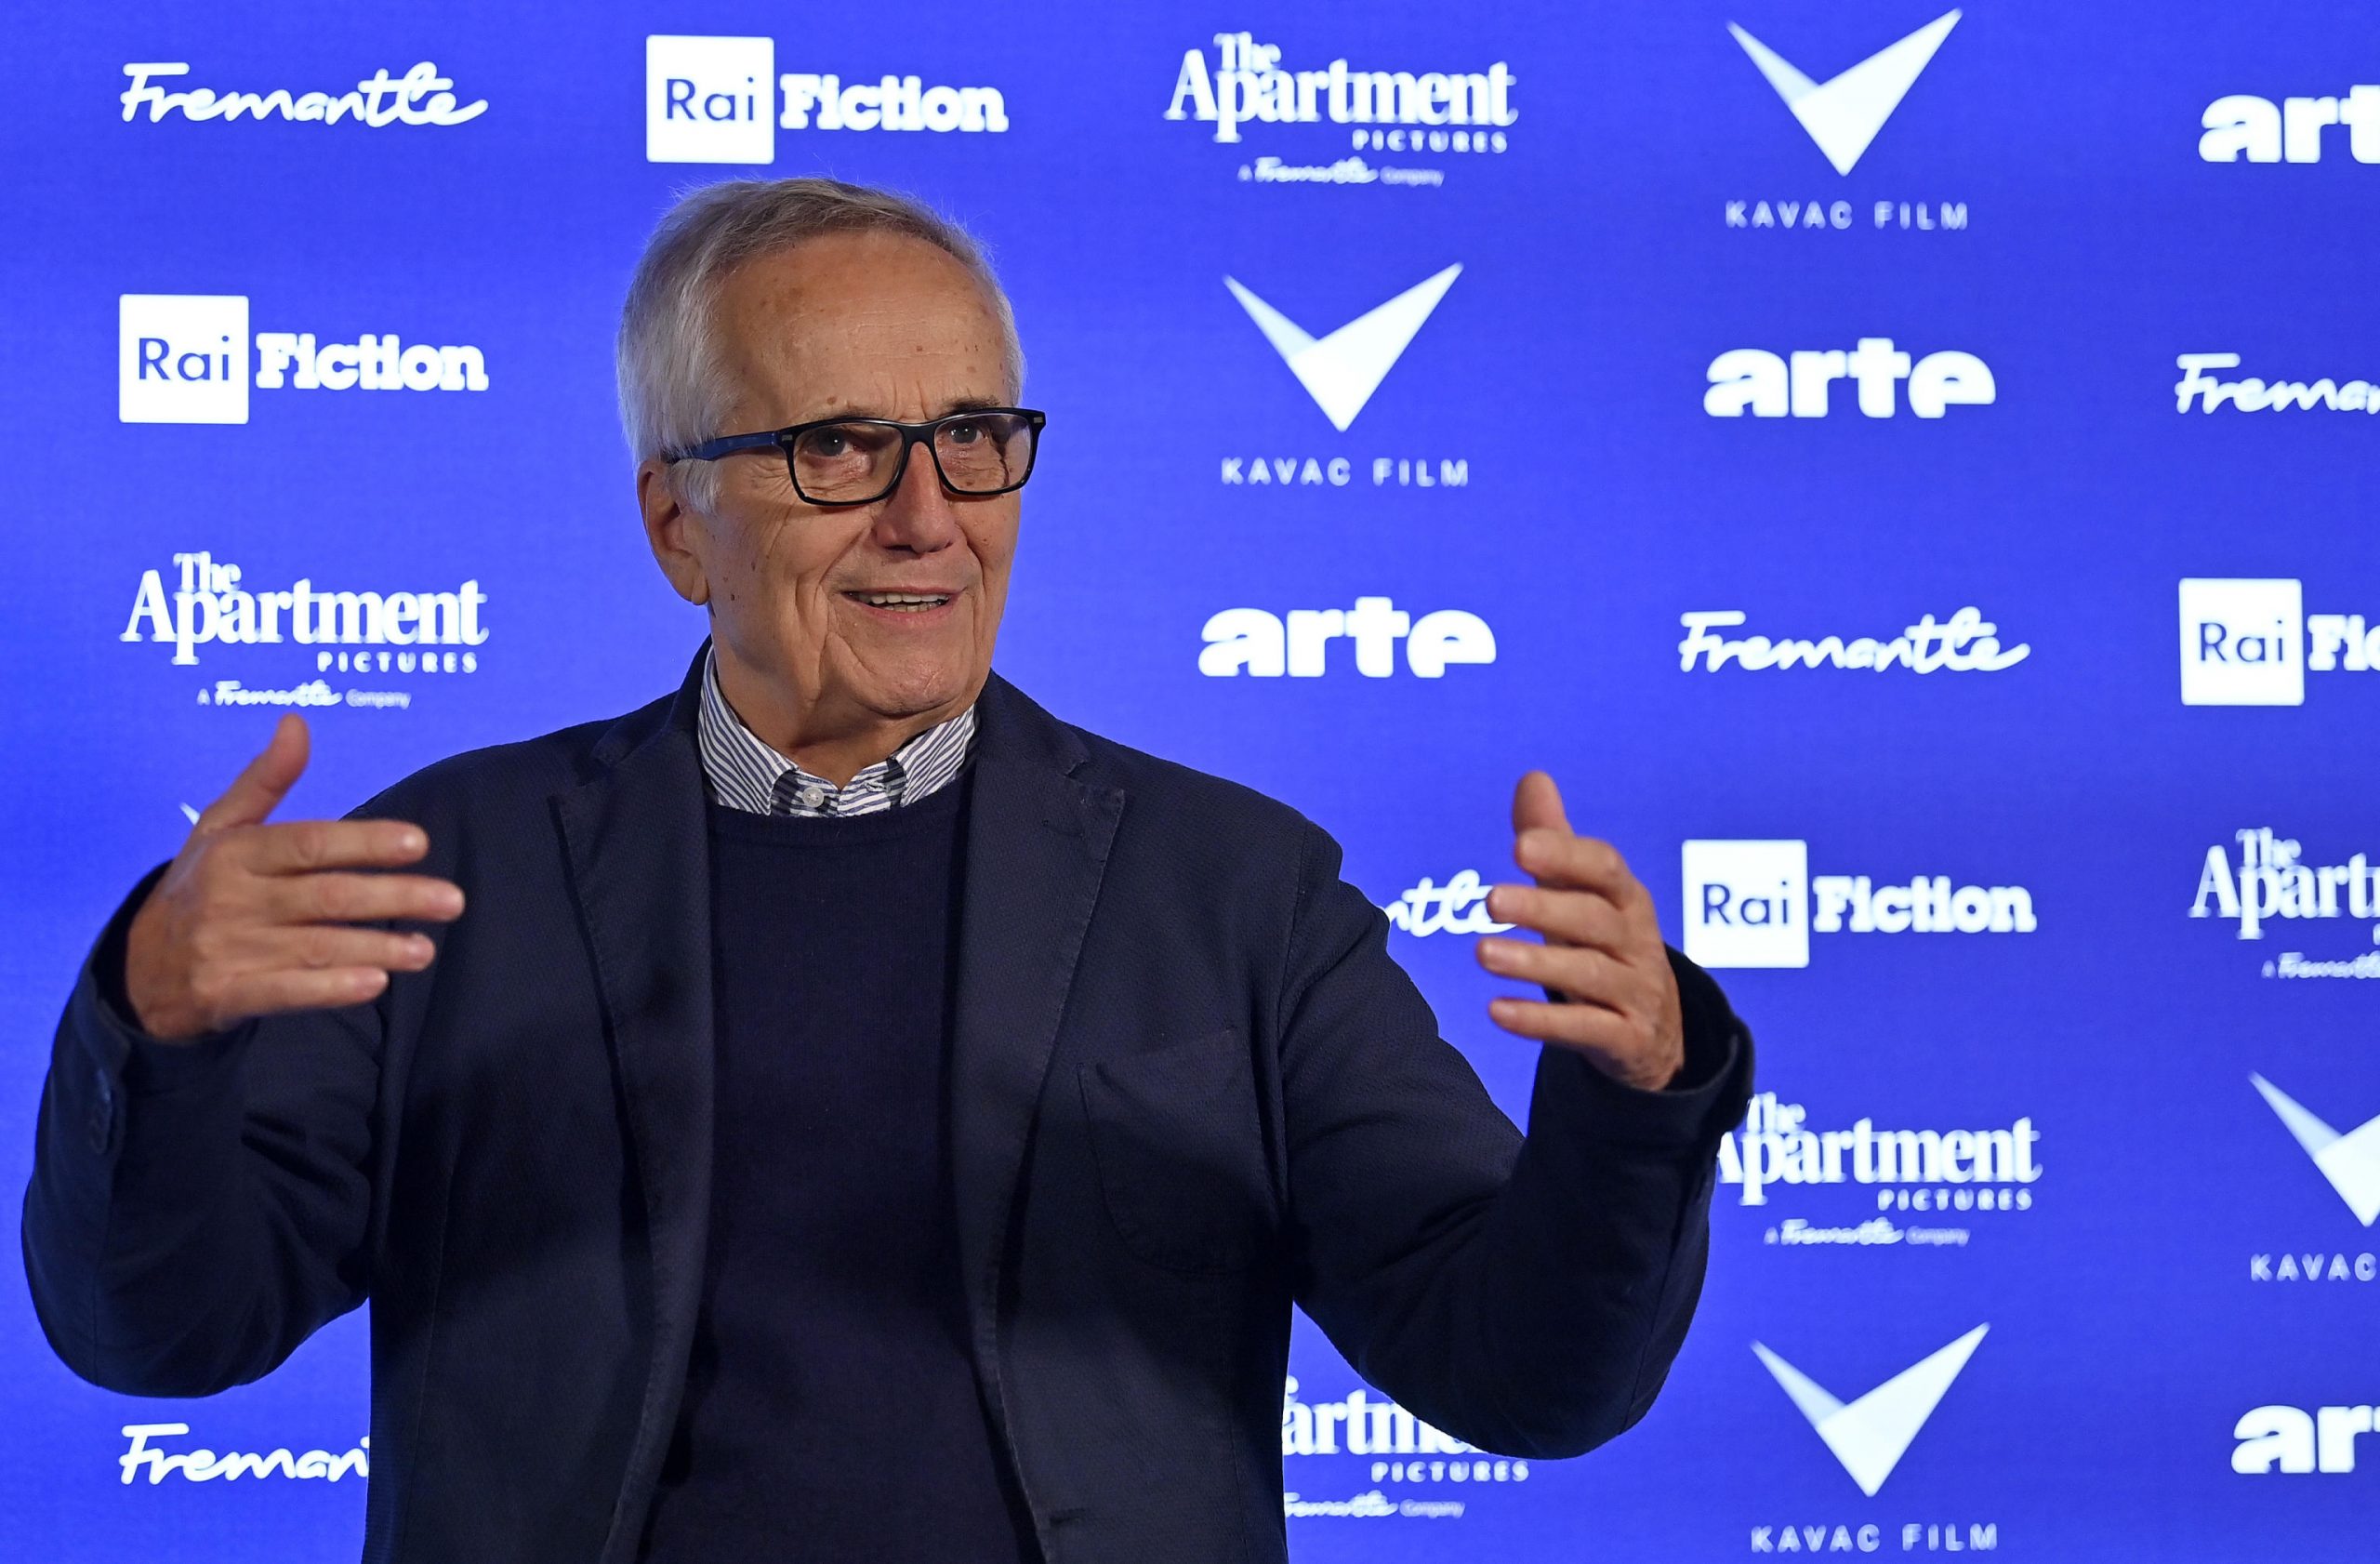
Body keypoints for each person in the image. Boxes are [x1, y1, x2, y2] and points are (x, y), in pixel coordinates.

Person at [23, 178, 1752, 1564]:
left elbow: (1525, 1373)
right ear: (677, 523)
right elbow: (155, 1332)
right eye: (837, 447)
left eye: (974, 434)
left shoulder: (1236, 892)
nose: (928, 514)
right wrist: (152, 1035)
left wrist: (1633, 1104)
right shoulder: (455, 875)